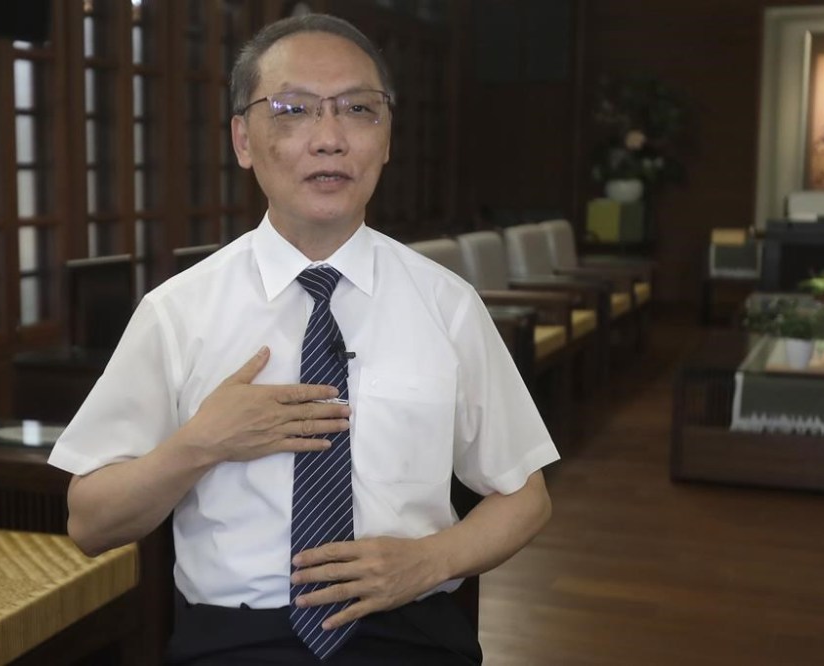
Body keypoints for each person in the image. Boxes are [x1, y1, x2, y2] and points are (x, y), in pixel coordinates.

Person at [48, 13, 558, 665]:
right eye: (293, 110)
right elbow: (89, 523)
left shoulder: (447, 305)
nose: (329, 138)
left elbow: (526, 494)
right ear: (242, 138)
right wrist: (199, 444)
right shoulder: (177, 311)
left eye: (358, 110)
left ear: (387, 137)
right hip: (236, 638)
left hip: (409, 623)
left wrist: (430, 559)